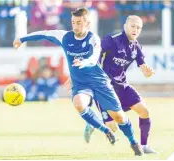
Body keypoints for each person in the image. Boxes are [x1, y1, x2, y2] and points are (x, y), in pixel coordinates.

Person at [13, 8, 144, 156]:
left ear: (87, 23)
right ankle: (105, 130)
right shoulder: (65, 37)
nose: (76, 26)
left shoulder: (93, 38)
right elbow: (43, 34)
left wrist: (85, 62)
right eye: (74, 22)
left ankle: (133, 142)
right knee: (79, 103)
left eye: (79, 23)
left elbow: (95, 57)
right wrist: (22, 39)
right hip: (81, 84)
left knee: (119, 117)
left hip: (99, 82)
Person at [82, 15, 157, 154]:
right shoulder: (112, 39)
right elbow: (96, 53)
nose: (135, 29)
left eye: (138, 27)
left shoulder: (136, 46)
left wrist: (147, 72)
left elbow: (144, 68)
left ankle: (144, 146)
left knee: (144, 111)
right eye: (133, 26)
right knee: (113, 126)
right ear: (125, 26)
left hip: (123, 86)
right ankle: (94, 122)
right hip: (105, 88)